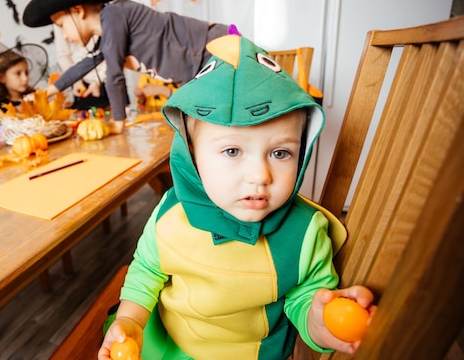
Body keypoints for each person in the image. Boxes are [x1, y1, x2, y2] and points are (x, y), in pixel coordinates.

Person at [98, 34, 376, 360]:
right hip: (170, 340)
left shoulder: (304, 232)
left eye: (281, 153)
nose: (260, 175)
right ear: (192, 156)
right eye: (232, 150)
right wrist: (131, 320)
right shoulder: (171, 214)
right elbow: (147, 270)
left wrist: (318, 320)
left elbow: (305, 295)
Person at [22, 0, 228, 134]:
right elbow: (83, 66)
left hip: (216, 51)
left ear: (78, 10)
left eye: (62, 26)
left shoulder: (114, 15)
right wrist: (46, 93)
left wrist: (118, 122)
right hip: (201, 72)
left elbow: (114, 75)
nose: (65, 35)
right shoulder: (109, 36)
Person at [53, 0, 110, 110]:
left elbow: (110, 52)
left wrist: (99, 80)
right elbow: (63, 55)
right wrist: (76, 80)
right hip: (80, 83)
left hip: (108, 79)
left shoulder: (108, 14)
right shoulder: (60, 16)